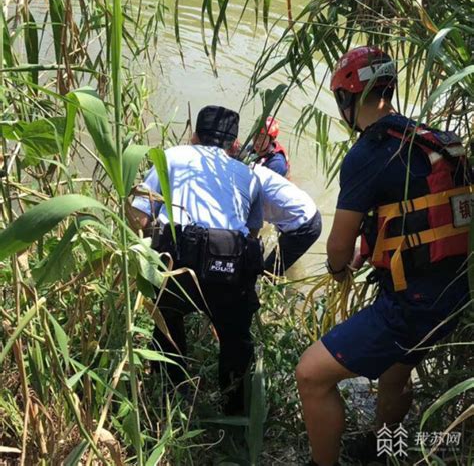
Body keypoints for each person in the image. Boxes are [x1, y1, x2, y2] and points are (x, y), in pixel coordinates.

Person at [296, 46, 471, 466]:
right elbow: (417, 212)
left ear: (346, 99)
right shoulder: (432, 138)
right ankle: (384, 447)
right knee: (395, 373)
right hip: (456, 290)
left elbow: (337, 247)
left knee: (311, 374)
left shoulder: (369, 152)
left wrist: (338, 271)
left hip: (415, 304)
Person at [128, 105, 264, 415]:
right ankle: (234, 409)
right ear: (233, 145)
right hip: (230, 267)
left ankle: (173, 395)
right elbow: (253, 232)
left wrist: (152, 239)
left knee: (167, 322)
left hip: (177, 262)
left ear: (193, 136)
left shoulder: (171, 157)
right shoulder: (248, 175)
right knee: (235, 338)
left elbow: (138, 215)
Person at [252, 164, 322, 275]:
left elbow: (250, 231)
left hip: (304, 227)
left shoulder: (249, 186)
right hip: (304, 213)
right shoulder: (254, 169)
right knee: (277, 262)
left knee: (268, 275)